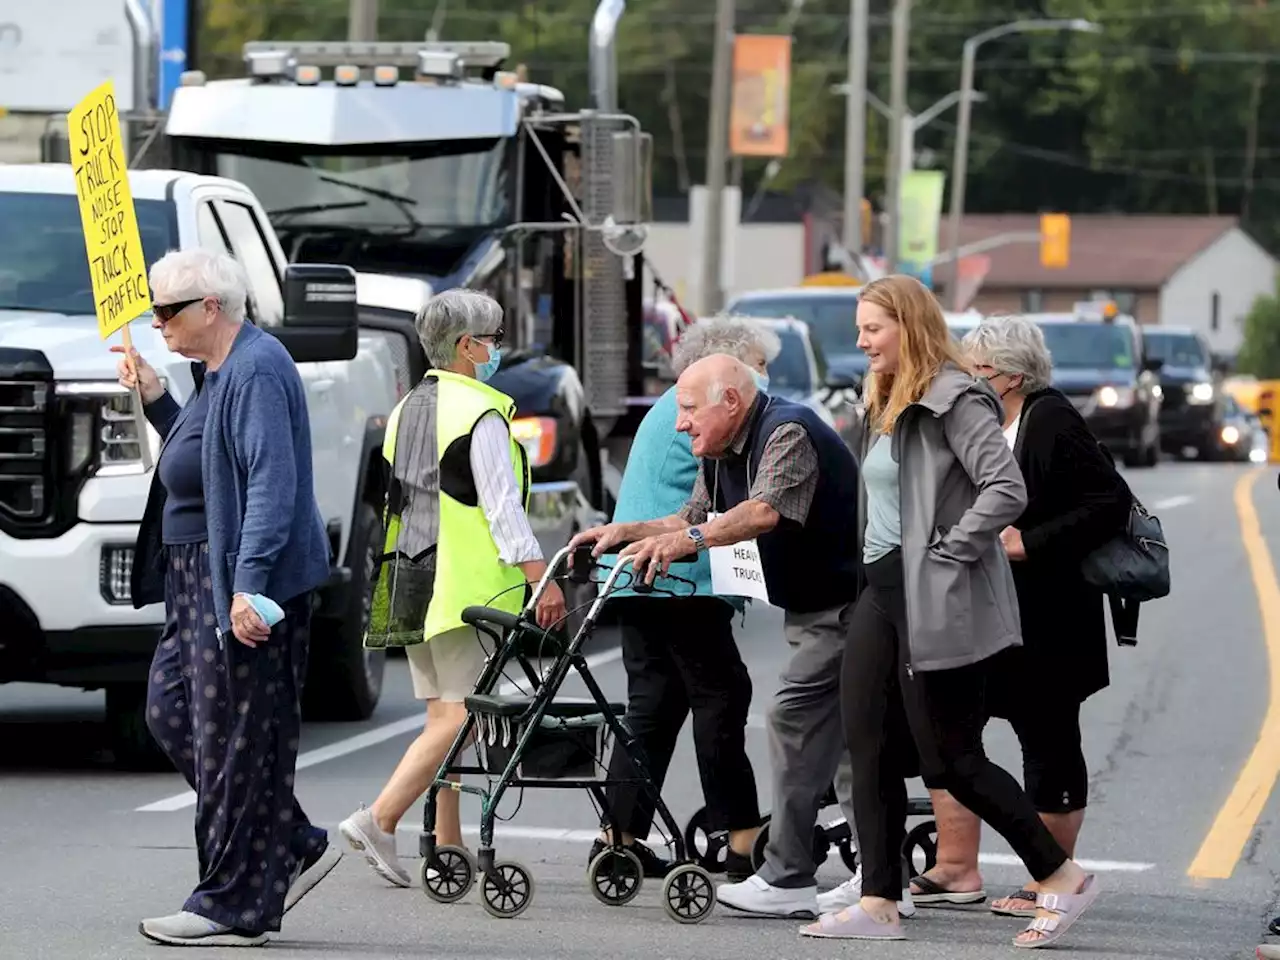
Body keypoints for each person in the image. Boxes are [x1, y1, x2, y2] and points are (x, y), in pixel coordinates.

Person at [802, 275, 1102, 948]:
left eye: (872, 329)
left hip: (929, 594)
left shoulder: (954, 395)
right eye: (859, 329)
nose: (860, 341)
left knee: (952, 758)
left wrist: (950, 548)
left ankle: (1061, 877)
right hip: (880, 593)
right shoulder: (881, 392)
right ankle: (879, 899)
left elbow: (1006, 486)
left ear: (907, 326)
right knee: (868, 741)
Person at [571, 352, 863, 920]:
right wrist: (625, 530)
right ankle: (859, 872)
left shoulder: (788, 431)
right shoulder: (723, 448)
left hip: (847, 603)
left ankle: (791, 871)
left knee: (797, 724)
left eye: (686, 409)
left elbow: (762, 513)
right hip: (811, 607)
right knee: (835, 739)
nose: (678, 423)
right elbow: (691, 515)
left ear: (730, 400)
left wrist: (687, 544)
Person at [121, 249, 339, 947]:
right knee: (173, 710)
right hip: (197, 575)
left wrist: (249, 585)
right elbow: (203, 456)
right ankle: (288, 838)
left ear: (210, 307)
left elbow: (273, 484)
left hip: (241, 582)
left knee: (236, 743)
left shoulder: (257, 366)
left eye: (167, 311)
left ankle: (229, 902)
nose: (156, 323)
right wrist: (157, 397)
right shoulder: (220, 370)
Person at [902, 315, 1131, 916]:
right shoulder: (984, 416)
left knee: (1047, 740)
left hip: (1051, 616)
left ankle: (1049, 878)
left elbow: (1108, 503)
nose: (968, 378)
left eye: (976, 369)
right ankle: (957, 866)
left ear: (1007, 375)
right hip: (984, 608)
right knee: (951, 733)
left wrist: (1029, 541)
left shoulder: (1050, 417)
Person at [339, 289, 566, 888]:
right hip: (467, 591)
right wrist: (540, 579)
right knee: (464, 715)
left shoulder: (408, 407)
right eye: (491, 340)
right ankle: (380, 819)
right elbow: (501, 510)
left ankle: (448, 841)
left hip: (411, 581)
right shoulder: (479, 414)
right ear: (467, 346)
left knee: (444, 716)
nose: (496, 350)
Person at [585, 315, 780, 881]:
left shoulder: (667, 406)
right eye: (758, 365)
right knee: (721, 695)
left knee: (652, 705)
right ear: (728, 371)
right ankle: (741, 834)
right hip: (680, 578)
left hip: (634, 574)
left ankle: (619, 836)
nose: (764, 378)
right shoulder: (710, 409)